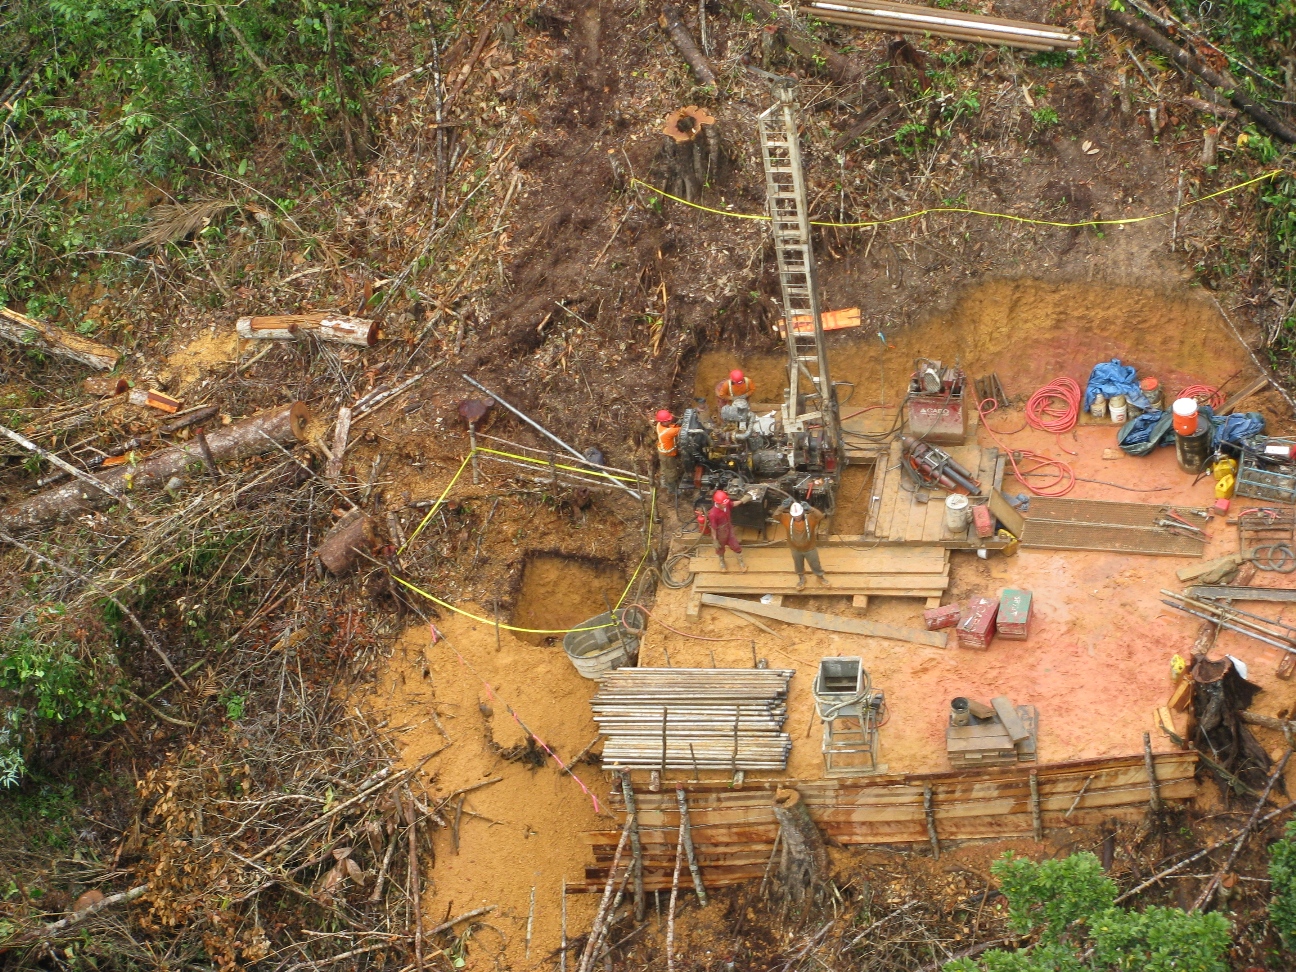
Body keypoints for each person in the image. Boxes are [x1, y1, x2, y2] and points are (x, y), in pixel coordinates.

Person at [778, 500, 829, 590]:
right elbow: (775, 515)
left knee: (815, 564)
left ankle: (820, 577)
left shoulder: (810, 519)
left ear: (802, 513)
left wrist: (810, 508)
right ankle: (801, 579)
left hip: (810, 548)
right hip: (795, 549)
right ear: (791, 514)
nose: (797, 517)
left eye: (799, 515)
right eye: (795, 515)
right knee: (798, 565)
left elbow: (820, 516)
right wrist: (781, 507)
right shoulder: (786, 519)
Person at [705, 489, 748, 572]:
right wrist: (714, 540)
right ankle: (722, 563)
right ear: (717, 503)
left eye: (725, 503)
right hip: (720, 532)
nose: (725, 505)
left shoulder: (726, 503)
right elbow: (713, 528)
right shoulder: (713, 514)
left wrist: (742, 500)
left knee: (736, 545)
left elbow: (732, 504)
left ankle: (741, 562)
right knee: (720, 548)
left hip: (729, 528)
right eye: (723, 504)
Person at [654, 409, 681, 490]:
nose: (670, 420)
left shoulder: (659, 425)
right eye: (668, 420)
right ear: (663, 422)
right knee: (671, 471)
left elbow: (671, 427)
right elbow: (680, 430)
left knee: (664, 467)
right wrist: (681, 425)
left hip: (662, 451)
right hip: (668, 455)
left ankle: (664, 479)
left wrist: (676, 424)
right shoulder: (668, 432)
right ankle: (671, 488)